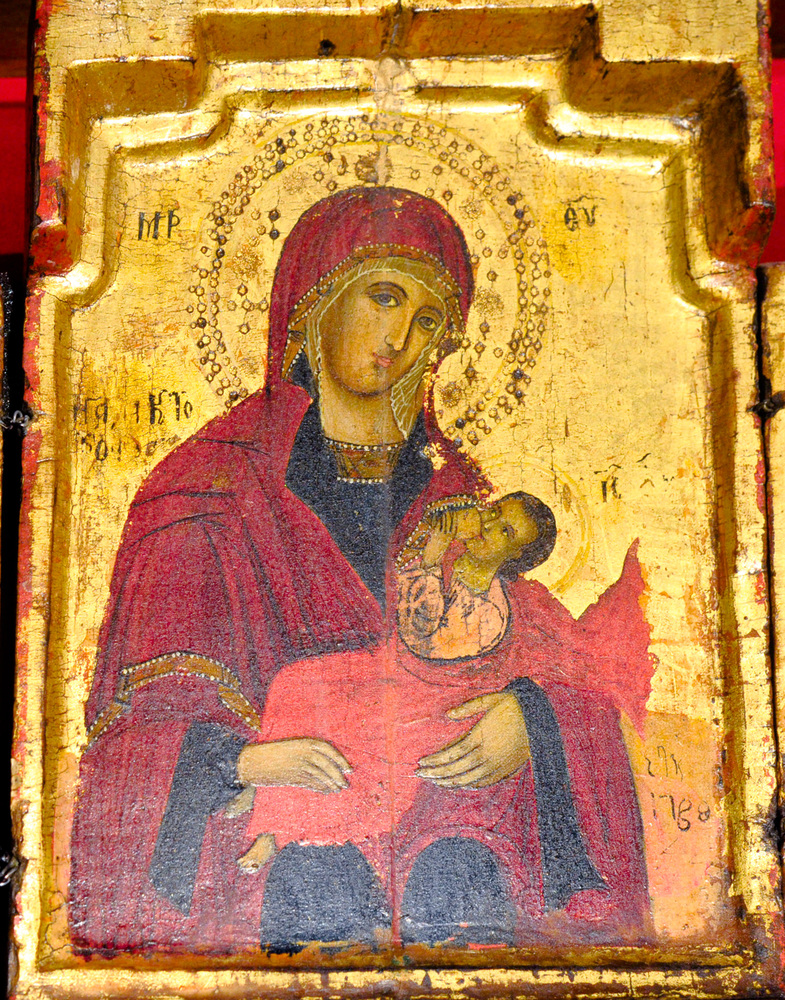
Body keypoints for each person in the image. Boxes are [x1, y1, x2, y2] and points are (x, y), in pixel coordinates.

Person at [69, 186, 652, 956]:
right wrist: (247, 762)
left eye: (429, 321)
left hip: (456, 845)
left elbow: (557, 660)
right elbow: (132, 740)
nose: (401, 338)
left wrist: (533, 722)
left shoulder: (462, 500)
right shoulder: (206, 495)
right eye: (383, 298)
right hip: (282, 856)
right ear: (315, 298)